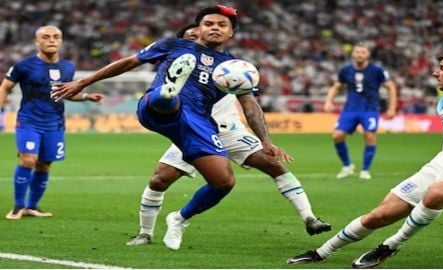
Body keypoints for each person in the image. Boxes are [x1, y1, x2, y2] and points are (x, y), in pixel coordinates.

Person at [51, 5, 297, 250]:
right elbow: (129, 62)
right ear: (198, 28)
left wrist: (265, 141)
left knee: (223, 182)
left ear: (231, 33)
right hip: (158, 109)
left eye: (222, 25)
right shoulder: (174, 45)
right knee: (169, 101)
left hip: (200, 123)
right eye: (209, 23)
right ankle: (170, 90)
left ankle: (178, 218)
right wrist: (83, 82)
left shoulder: (235, 67)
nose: (214, 28)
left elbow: (250, 105)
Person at [125, 24, 331, 248]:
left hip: (229, 129)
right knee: (160, 179)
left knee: (273, 165)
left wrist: (266, 141)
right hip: (191, 130)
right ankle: (145, 233)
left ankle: (310, 218)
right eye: (190, 37)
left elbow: (250, 105)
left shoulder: (228, 66)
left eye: (198, 33)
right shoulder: (180, 60)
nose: (196, 38)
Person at [287, 51, 443, 268]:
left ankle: (389, 247)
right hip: (442, 165)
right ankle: (321, 253)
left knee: (437, 194)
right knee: (379, 215)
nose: (435, 73)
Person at [0, 25, 104, 220]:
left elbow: (66, 94)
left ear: (61, 41)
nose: (51, 40)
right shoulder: (24, 65)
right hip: (29, 120)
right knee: (28, 160)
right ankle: (17, 206)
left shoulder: (67, 67)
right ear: (36, 42)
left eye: (56, 37)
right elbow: (5, 87)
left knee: (44, 165)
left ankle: (32, 207)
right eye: (46, 37)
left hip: (55, 123)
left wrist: (87, 96)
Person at [324, 42, 397, 180]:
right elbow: (336, 86)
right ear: (353, 54)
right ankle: (347, 166)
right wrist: (329, 101)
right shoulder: (345, 70)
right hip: (350, 109)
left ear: (368, 54)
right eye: (357, 52)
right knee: (337, 135)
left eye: (363, 52)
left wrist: (392, 108)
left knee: (369, 136)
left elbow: (391, 87)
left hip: (370, 109)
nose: (359, 55)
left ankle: (365, 170)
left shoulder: (377, 70)